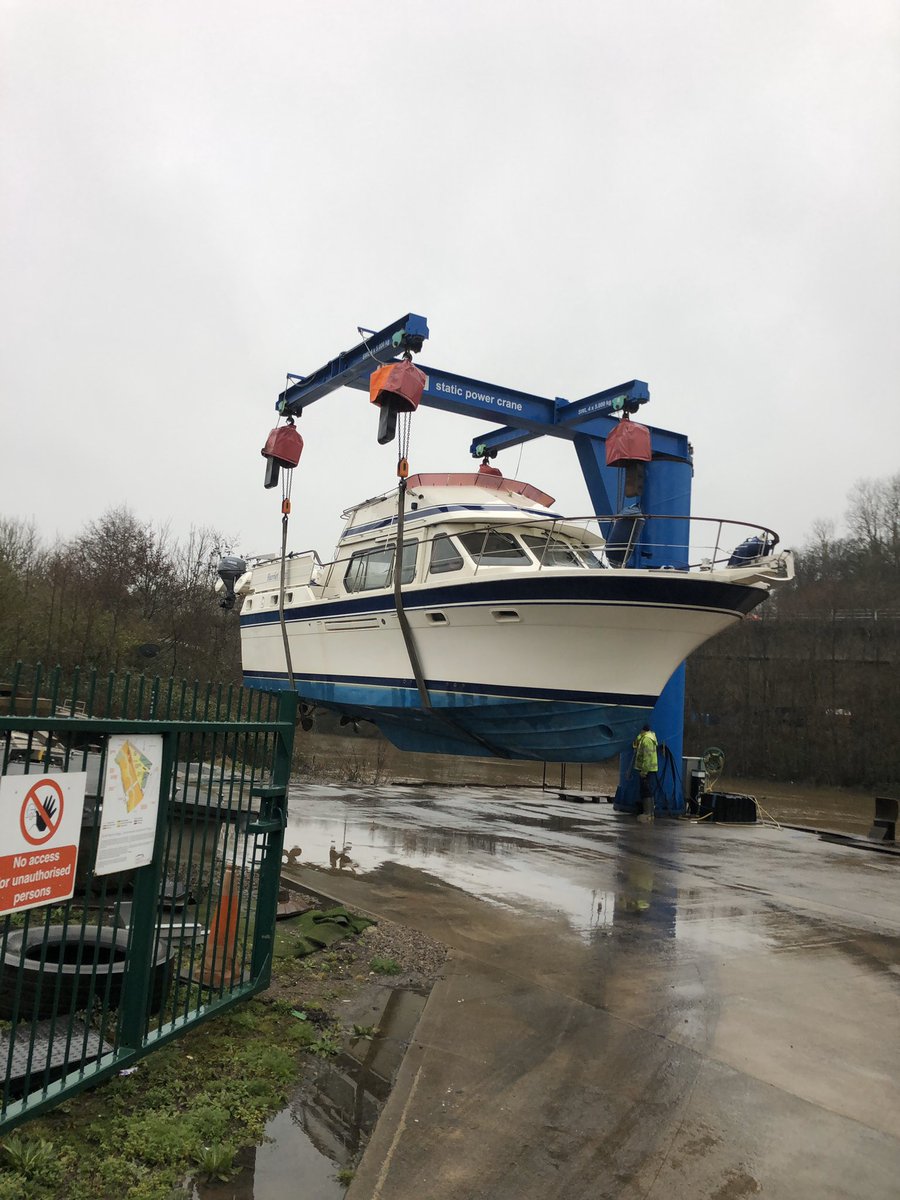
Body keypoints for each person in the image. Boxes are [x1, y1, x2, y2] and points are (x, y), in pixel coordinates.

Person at [633, 724, 658, 821]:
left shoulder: (646, 740)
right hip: (650, 770)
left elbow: (647, 758)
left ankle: (647, 814)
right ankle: (650, 814)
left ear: (642, 730)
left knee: (646, 791)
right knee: (647, 790)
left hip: (647, 770)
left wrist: (644, 771)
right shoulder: (646, 737)